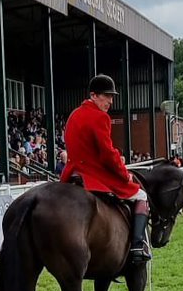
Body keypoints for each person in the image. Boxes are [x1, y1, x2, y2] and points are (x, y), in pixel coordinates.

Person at [60, 74, 151, 266]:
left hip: (72, 173)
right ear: (93, 95)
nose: (111, 101)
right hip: (93, 175)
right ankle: (137, 245)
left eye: (111, 96)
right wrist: (124, 174)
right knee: (141, 195)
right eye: (106, 96)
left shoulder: (74, 115)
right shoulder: (100, 117)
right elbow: (107, 154)